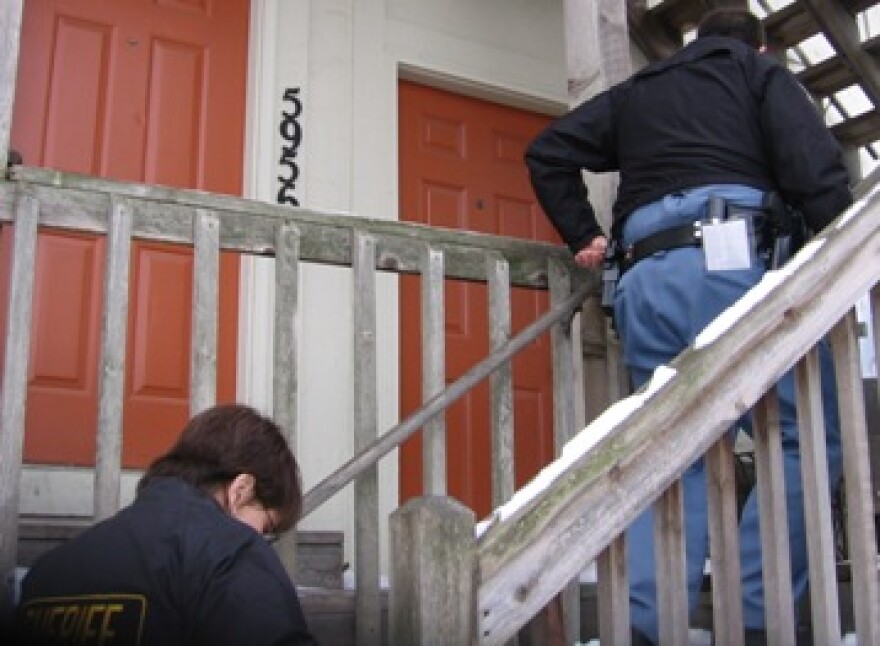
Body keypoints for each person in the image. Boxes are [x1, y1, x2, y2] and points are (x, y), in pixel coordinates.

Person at [525, 8, 851, 646]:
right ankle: (759, 619)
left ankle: (645, 630)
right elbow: (815, 172)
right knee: (801, 436)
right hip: (731, 266)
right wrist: (836, 254)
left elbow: (548, 151)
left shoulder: (639, 92)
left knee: (672, 454)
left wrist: (582, 232)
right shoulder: (757, 76)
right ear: (757, 47)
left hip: (646, 281)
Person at [12, 404, 318, 645]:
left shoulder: (46, 576)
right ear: (241, 490)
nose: (260, 539)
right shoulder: (231, 554)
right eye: (265, 527)